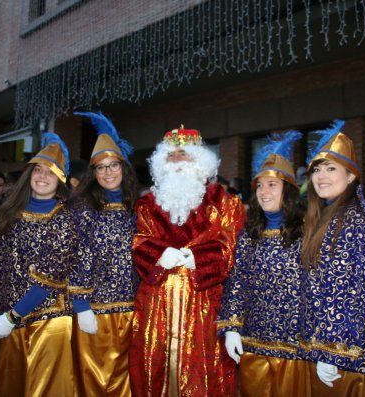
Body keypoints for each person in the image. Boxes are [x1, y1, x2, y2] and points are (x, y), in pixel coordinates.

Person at [130, 126, 246, 397]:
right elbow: (139, 241)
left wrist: (197, 257)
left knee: (203, 375)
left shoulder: (224, 203)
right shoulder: (146, 204)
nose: (178, 162)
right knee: (153, 371)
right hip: (156, 306)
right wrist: (159, 253)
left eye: (184, 155)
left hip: (204, 306)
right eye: (171, 156)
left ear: (199, 161)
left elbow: (231, 245)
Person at [299, 120, 365, 397]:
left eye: (331, 168)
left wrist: (332, 351)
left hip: (355, 359)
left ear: (351, 176)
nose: (321, 176)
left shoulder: (355, 219)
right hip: (348, 353)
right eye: (317, 169)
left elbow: (349, 290)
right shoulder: (335, 215)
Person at [0, 132, 79, 397]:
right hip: (9, 319)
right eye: (38, 170)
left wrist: (12, 317)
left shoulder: (66, 219)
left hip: (49, 320)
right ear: (29, 174)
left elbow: (51, 277)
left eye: (51, 173)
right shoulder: (6, 213)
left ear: (60, 181)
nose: (43, 177)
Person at [218, 131, 308, 397]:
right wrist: (232, 327)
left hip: (295, 348)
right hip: (254, 344)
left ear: (288, 191)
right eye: (259, 185)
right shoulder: (249, 233)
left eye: (272, 185)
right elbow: (237, 281)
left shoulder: (308, 232)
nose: (264, 192)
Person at [69, 111, 139, 396]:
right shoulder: (82, 210)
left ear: (124, 168)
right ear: (93, 174)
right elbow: (76, 258)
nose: (108, 172)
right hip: (94, 311)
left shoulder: (139, 208)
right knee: (94, 379)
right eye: (101, 167)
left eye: (114, 165)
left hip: (132, 311)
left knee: (127, 380)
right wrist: (81, 305)